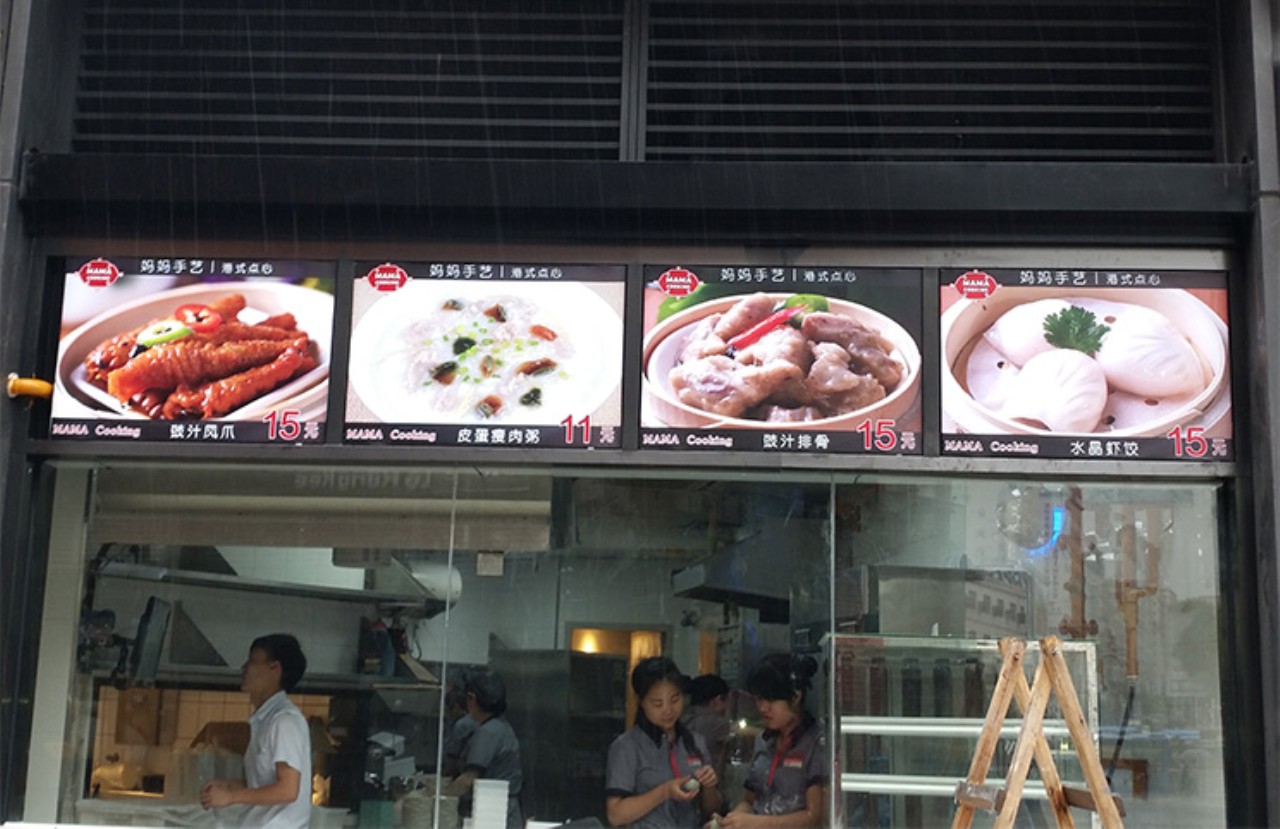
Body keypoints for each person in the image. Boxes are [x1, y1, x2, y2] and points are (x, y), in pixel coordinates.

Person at [200, 633, 312, 828]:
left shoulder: (284, 722)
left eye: (252, 661)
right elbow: (264, 785)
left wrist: (232, 797)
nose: (244, 668)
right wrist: (229, 786)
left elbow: (287, 790)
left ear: (274, 669)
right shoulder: (265, 720)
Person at [605, 656, 723, 828]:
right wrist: (665, 791)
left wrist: (709, 786)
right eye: (657, 703)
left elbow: (712, 809)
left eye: (675, 700)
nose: (668, 710)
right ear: (640, 701)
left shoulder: (695, 742)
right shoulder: (627, 746)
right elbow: (615, 815)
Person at [719, 654, 827, 829]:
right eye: (759, 699)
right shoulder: (763, 740)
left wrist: (756, 823)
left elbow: (815, 816)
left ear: (796, 697)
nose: (763, 708)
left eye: (771, 700)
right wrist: (729, 821)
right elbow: (750, 801)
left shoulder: (817, 743)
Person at [445, 667, 523, 829]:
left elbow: (468, 779)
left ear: (472, 699)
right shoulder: (500, 726)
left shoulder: (488, 732)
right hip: (501, 810)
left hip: (494, 813)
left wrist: (439, 802)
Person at [685, 674, 733, 777]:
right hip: (707, 780)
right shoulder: (718, 723)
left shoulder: (682, 719)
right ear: (717, 701)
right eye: (726, 701)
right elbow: (739, 737)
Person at [441, 676, 478, 776]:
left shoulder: (462, 724)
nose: (447, 713)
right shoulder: (470, 719)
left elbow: (453, 755)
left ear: (456, 707)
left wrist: (443, 774)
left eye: (448, 709)